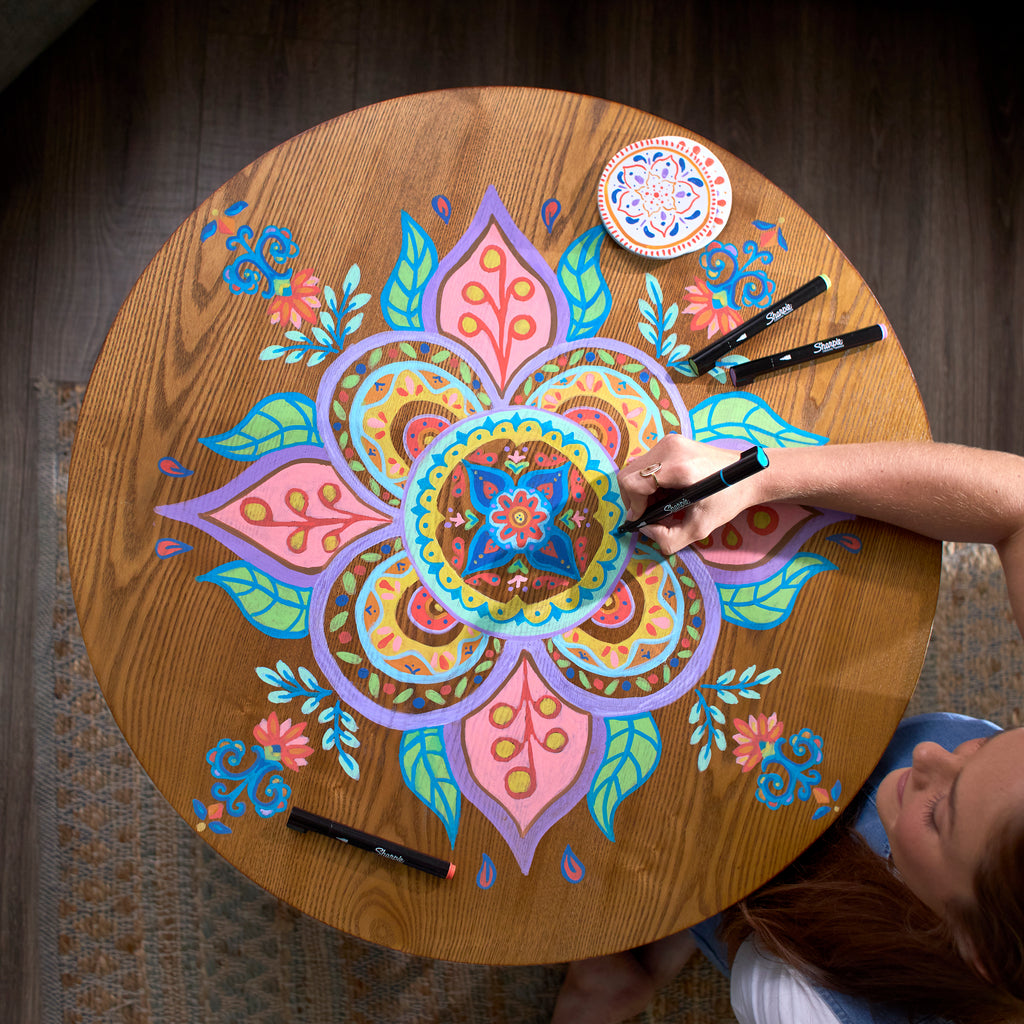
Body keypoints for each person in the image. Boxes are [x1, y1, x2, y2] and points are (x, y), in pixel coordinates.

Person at [552, 437, 1024, 1024]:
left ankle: (634, 968)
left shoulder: (803, 1001)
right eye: (983, 746)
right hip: (782, 749)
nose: (929, 754)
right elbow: (1017, 505)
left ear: (977, 950)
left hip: (749, 887)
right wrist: (759, 477)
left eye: (940, 814)